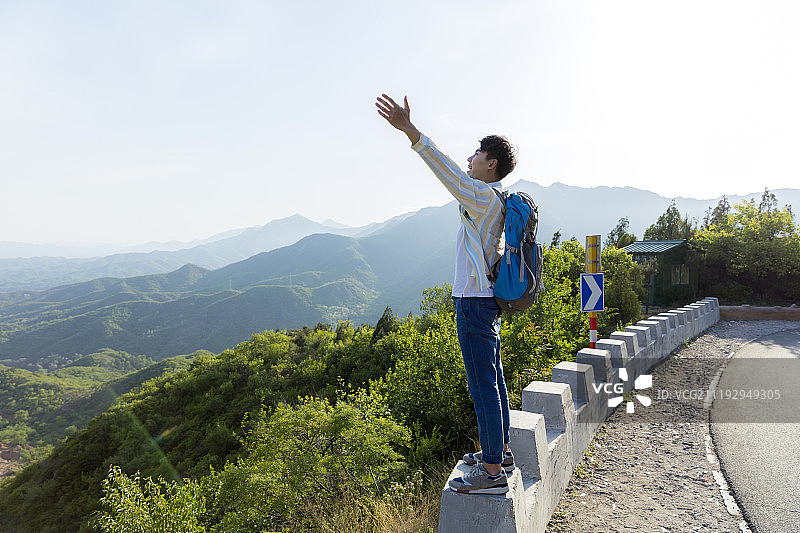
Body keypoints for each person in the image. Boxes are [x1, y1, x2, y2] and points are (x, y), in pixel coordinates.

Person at [375, 94, 516, 495]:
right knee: (495, 380)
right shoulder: (495, 199)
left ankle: (491, 472)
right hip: (485, 299)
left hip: (474, 301)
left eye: (477, 153)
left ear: (491, 164)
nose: (471, 158)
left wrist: (411, 132)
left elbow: (449, 173)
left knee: (482, 385)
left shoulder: (483, 195)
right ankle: (500, 452)